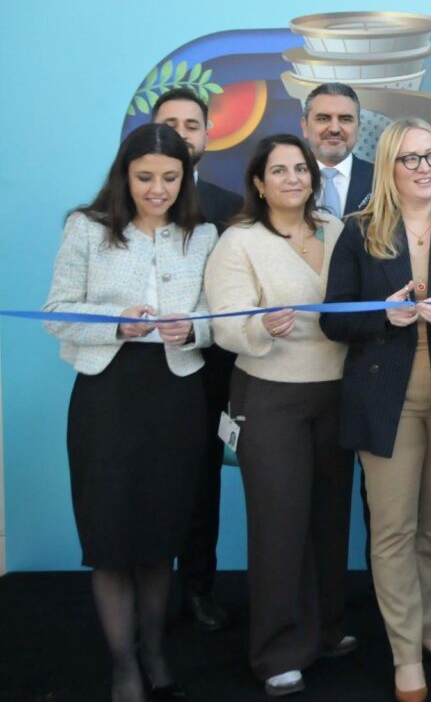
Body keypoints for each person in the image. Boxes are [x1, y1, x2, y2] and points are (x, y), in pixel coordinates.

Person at [321, 118, 431, 702]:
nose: (425, 168)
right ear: (389, 167)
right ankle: (405, 656)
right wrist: (382, 316)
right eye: (411, 158)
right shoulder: (359, 230)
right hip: (385, 399)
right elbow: (333, 318)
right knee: (394, 529)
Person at [43, 122, 217, 702]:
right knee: (112, 537)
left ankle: (157, 653)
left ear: (185, 178)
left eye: (170, 177)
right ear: (124, 174)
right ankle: (124, 668)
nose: (158, 189)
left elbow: (215, 317)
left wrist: (192, 329)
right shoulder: (86, 227)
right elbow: (56, 312)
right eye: (145, 177)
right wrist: (116, 323)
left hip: (175, 399)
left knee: (160, 537)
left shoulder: (203, 234)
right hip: (107, 398)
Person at [203, 134, 355, 696]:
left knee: (329, 519)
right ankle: (277, 652)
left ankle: (326, 629)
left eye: (301, 169)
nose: (293, 178)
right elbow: (223, 321)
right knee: (279, 523)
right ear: (259, 183)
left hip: (338, 392)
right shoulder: (238, 240)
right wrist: (258, 326)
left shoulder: (338, 230)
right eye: (279, 170)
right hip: (269, 395)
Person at [152, 85, 243, 632]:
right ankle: (144, 596)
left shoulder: (230, 208)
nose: (182, 135)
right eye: (171, 125)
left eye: (192, 125)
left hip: (209, 372)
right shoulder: (119, 204)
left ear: (208, 134)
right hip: (139, 374)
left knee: (202, 484)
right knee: (144, 486)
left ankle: (197, 589)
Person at [300, 82, 373, 216]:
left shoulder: (382, 180)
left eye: (345, 119)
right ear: (305, 126)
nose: (334, 129)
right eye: (323, 118)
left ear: (358, 128)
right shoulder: (285, 180)